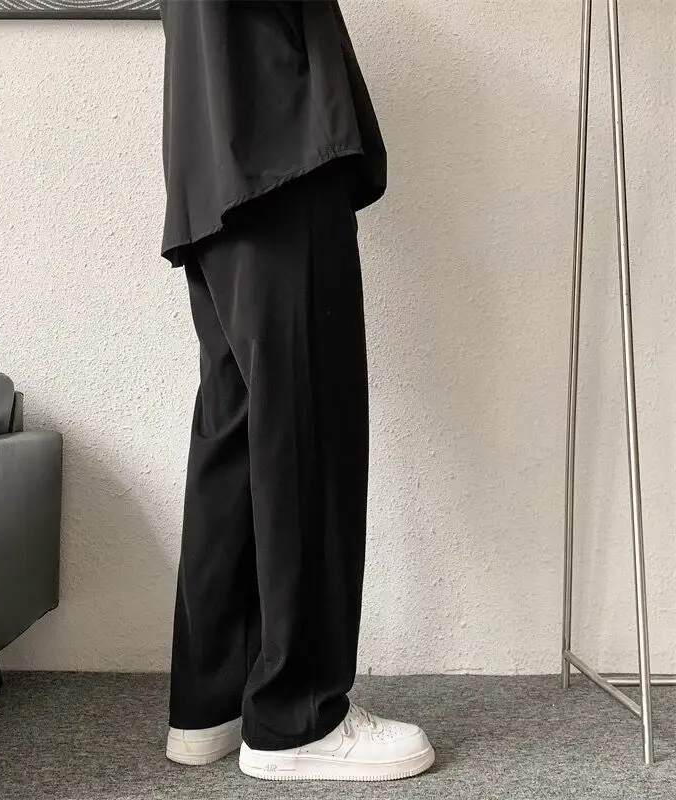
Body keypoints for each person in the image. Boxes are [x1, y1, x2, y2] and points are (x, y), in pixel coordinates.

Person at [159, 0, 435, 782]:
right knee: (306, 428)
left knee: (239, 427)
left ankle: (212, 701)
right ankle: (298, 714)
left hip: (217, 146)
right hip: (277, 137)